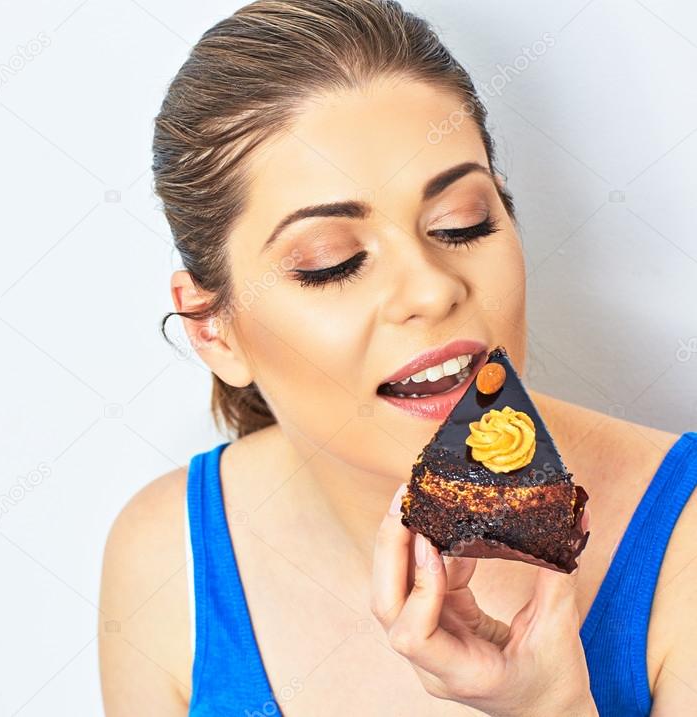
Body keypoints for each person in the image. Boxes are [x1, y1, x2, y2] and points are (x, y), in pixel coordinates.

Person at [98, 1, 697, 714]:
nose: (431, 288)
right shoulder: (165, 555)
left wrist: (549, 706)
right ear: (212, 329)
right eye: (332, 263)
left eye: (461, 222)